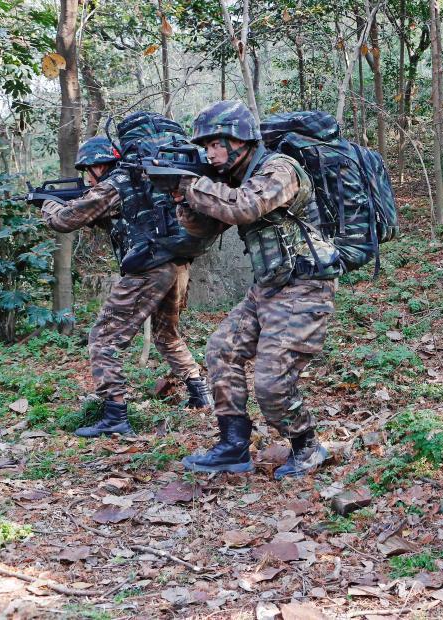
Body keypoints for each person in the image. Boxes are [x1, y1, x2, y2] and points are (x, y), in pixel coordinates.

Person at [177, 100, 338, 479]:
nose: (210, 153)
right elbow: (204, 229)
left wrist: (192, 186)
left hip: (305, 287)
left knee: (272, 382)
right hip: (268, 287)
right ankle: (233, 445)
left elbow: (245, 208)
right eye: (206, 146)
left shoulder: (279, 169)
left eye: (215, 143)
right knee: (221, 350)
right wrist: (183, 199)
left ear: (240, 139)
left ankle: (307, 446)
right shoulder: (233, 181)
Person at [41, 135, 213, 438]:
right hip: (176, 264)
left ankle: (115, 414)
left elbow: (65, 220)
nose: (88, 178)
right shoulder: (143, 179)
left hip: (149, 268)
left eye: (88, 171)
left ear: (99, 165)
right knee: (166, 334)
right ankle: (201, 394)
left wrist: (48, 205)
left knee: (103, 339)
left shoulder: (115, 183)